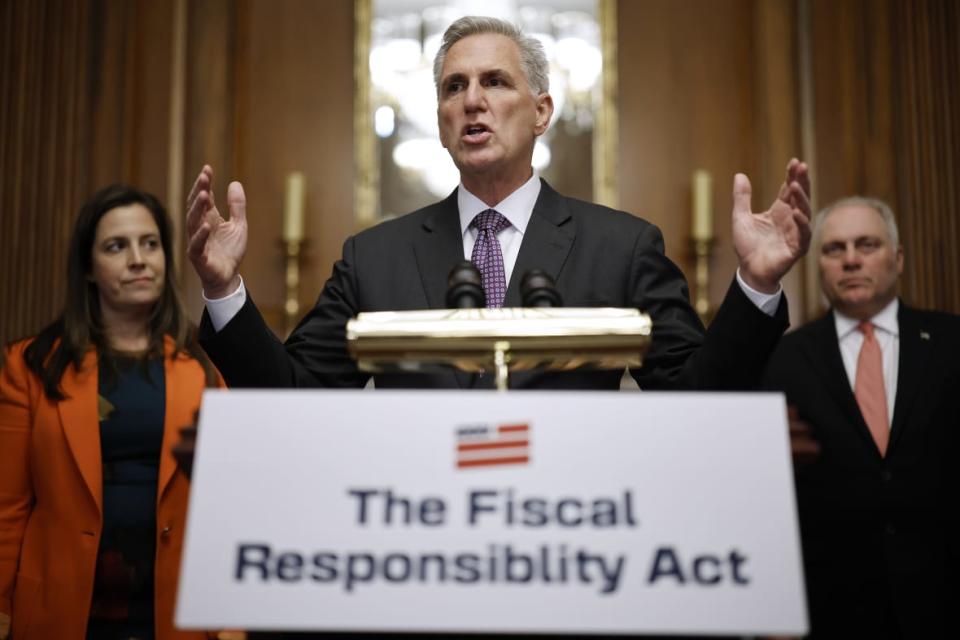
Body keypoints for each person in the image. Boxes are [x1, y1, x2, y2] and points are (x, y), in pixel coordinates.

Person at [187, 15, 812, 390]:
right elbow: (293, 396)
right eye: (454, 87)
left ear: (541, 112)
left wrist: (756, 285)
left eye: (494, 82)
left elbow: (695, 396)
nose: (472, 101)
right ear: (440, 117)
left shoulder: (622, 247)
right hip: (419, 549)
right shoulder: (374, 257)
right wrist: (223, 291)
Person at [0, 185, 222, 639]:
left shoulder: (206, 367)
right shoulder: (28, 367)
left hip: (178, 614)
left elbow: (229, 507)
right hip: (60, 614)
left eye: (151, 244)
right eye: (116, 247)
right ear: (88, 267)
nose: (138, 259)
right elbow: (7, 509)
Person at [763, 197, 960, 638]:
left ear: (899, 257)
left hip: (943, 595)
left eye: (866, 244)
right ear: (819, 265)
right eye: (834, 249)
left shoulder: (951, 343)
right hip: (830, 604)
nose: (850, 260)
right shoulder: (783, 357)